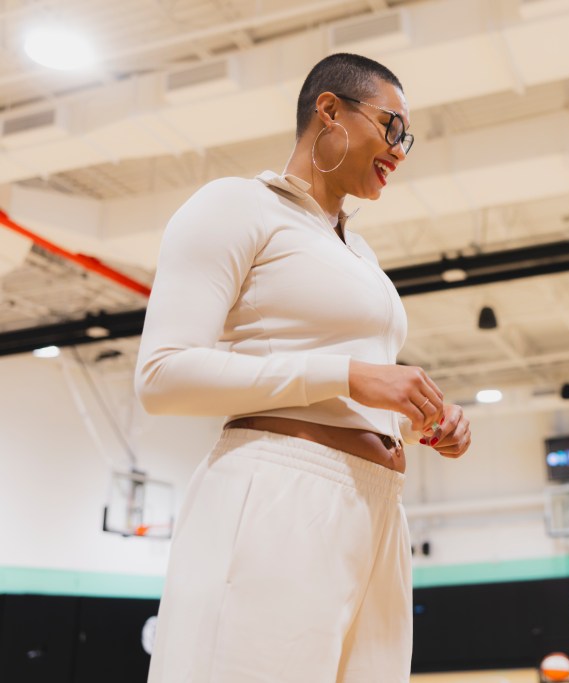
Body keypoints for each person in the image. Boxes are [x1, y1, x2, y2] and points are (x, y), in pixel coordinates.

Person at [135, 53, 471, 683]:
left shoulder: (358, 249)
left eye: (408, 138)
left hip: (378, 507)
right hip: (278, 491)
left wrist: (421, 421)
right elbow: (161, 376)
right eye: (392, 127)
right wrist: (345, 374)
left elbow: (353, 382)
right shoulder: (236, 205)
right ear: (329, 110)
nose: (401, 150)